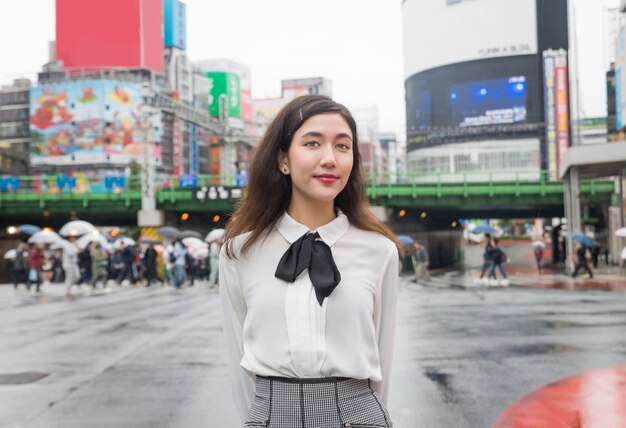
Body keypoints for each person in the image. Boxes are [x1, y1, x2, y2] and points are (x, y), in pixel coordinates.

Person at [220, 95, 401, 427]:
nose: (329, 158)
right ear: (283, 160)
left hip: (359, 415)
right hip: (271, 415)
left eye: (342, 146)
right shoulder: (240, 251)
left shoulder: (379, 250)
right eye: (313, 143)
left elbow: (382, 359)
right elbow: (238, 358)